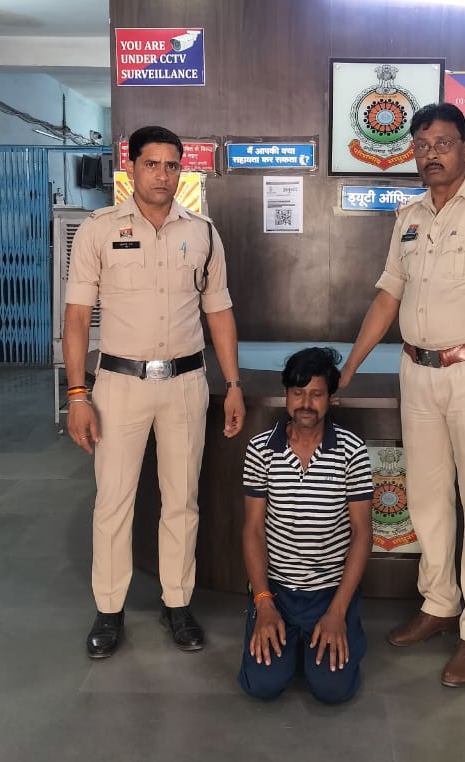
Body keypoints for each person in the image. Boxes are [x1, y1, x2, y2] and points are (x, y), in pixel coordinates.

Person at [340, 102, 465, 687]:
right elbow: (388, 296)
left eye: (443, 144)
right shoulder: (408, 216)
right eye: (422, 146)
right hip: (417, 374)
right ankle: (439, 603)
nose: (431, 155)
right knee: (425, 497)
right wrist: (349, 366)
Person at [63, 125, 245, 659]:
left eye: (171, 165)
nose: (162, 175)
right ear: (131, 167)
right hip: (119, 386)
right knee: (113, 501)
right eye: (151, 164)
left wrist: (232, 383)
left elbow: (219, 311)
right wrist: (77, 395)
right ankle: (109, 610)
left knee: (181, 500)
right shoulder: (98, 230)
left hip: (185, 384)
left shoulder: (203, 233)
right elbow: (77, 318)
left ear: (180, 170)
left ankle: (177, 603)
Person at [238, 346, 374, 704]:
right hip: (277, 591)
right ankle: (282, 635)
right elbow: (253, 530)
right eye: (298, 393)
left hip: (329, 592)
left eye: (316, 394)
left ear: (330, 399)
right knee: (262, 685)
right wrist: (263, 602)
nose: (306, 404)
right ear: (286, 394)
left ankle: (339, 630)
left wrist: (337, 611)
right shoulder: (260, 449)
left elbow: (362, 534)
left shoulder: (352, 451)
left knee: (332, 690)